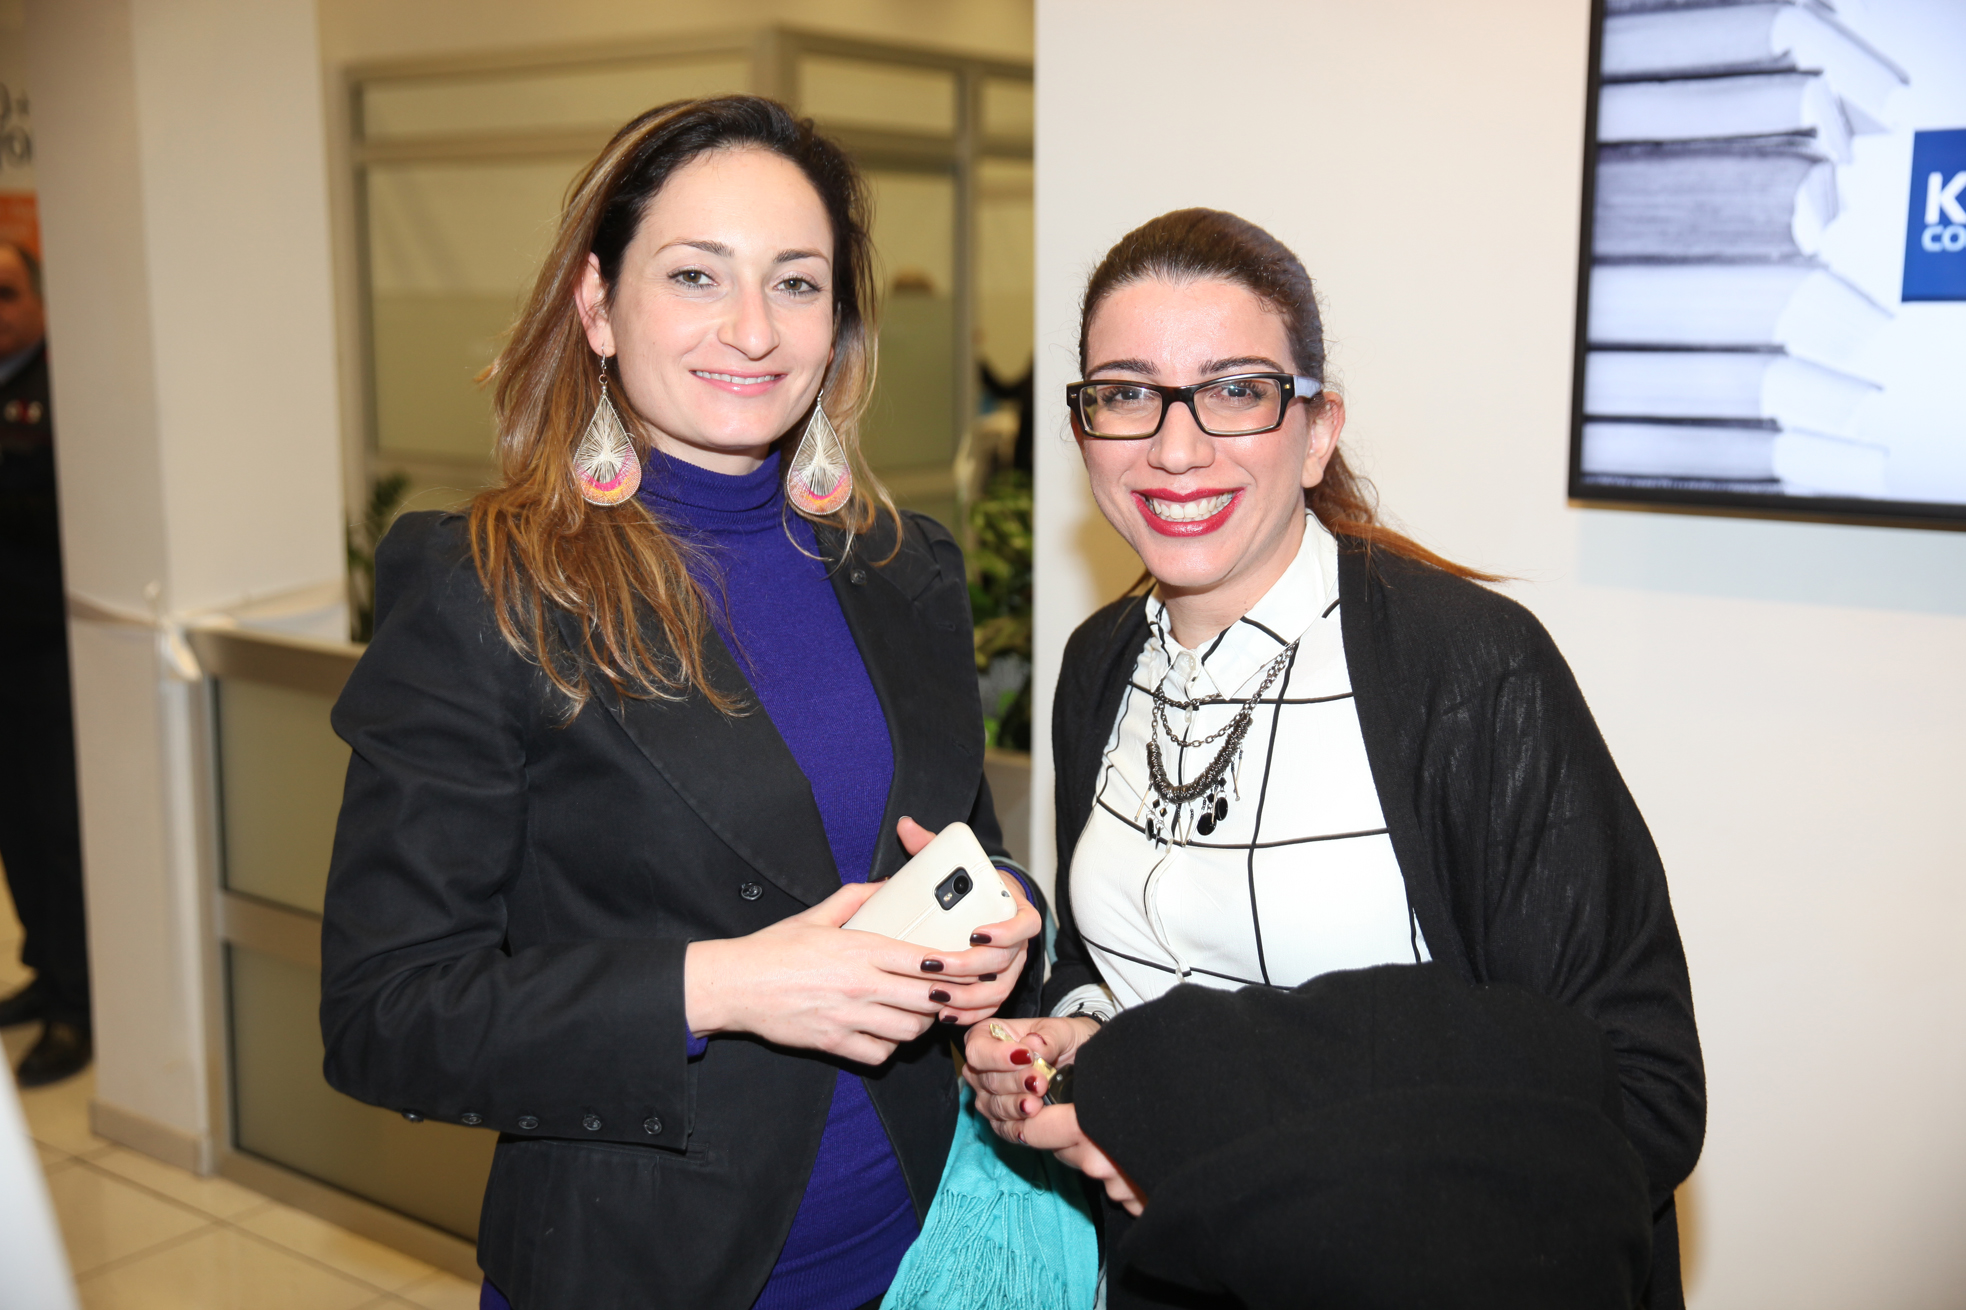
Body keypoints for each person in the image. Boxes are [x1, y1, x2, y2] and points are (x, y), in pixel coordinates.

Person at [319, 97, 1043, 1310]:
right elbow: (386, 1014)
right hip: (646, 1265)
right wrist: (724, 985)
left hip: (922, 1248)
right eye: (696, 274)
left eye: (796, 283)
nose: (752, 329)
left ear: (836, 324)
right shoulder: (488, 587)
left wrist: (1008, 915)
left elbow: (959, 841)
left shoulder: (901, 564)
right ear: (598, 305)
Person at [963, 209, 1705, 1306]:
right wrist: (1074, 1041)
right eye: (1125, 394)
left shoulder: (1468, 670)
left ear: (1317, 431)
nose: (1175, 446)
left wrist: (1192, 1102)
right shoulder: (1098, 664)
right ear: (1082, 430)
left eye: (1235, 390)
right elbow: (1117, 966)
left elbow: (1641, 1090)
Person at [0, 238, 92, 1088]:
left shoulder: (66, 392)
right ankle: (42, 968)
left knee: (58, 830)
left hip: (46, 656)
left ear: (37, 300)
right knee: (14, 831)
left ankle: (77, 1003)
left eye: (5, 295)